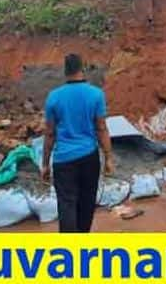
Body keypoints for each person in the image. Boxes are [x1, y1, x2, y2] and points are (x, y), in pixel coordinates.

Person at [42, 53, 115, 232]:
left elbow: (50, 134)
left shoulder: (54, 97)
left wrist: (45, 164)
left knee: (66, 205)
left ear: (65, 70)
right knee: (86, 202)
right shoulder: (96, 95)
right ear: (82, 69)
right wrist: (108, 158)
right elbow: (101, 128)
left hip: (63, 160)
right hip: (88, 157)